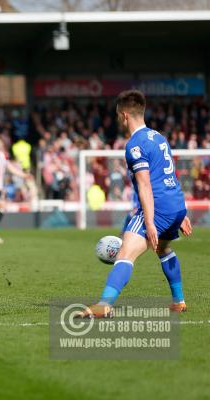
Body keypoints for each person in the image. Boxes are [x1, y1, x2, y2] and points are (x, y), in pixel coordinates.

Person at [79, 90, 192, 318]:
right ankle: (178, 301)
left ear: (124, 116)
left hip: (157, 207)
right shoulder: (159, 137)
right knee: (162, 248)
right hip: (175, 204)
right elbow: (169, 174)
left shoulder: (134, 145)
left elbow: (145, 185)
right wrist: (182, 213)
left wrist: (149, 221)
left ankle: (104, 304)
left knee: (125, 253)